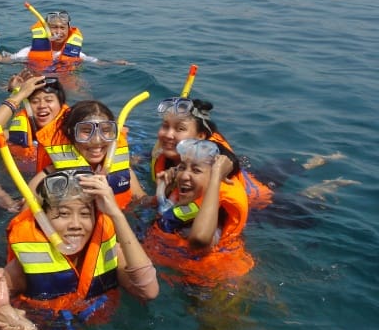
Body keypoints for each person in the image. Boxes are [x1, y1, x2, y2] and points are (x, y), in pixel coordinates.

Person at [5, 170, 158, 330]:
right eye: (63, 214)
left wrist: (116, 214)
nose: (75, 225)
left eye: (85, 214)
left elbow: (149, 292)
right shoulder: (22, 267)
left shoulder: (111, 252)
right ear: (43, 221)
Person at [150, 96, 346, 211]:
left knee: (302, 202)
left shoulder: (212, 154)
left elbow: (230, 160)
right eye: (165, 126)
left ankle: (329, 184)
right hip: (250, 178)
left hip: (258, 199)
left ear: (201, 136)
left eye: (179, 129)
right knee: (280, 170)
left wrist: (177, 172)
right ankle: (316, 161)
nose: (168, 134)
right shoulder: (170, 151)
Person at [144, 139, 253, 287]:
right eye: (182, 168)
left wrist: (216, 177)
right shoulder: (182, 199)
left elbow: (200, 239)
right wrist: (164, 189)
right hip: (181, 278)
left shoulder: (216, 214)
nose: (183, 176)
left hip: (217, 286)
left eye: (196, 170)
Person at [30, 100, 148, 210]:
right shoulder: (46, 180)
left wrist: (162, 196)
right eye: (86, 131)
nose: (97, 140)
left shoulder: (124, 172)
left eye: (106, 130)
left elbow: (143, 202)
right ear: (71, 133)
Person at [0, 10, 129, 73]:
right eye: (53, 27)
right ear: (46, 30)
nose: (58, 31)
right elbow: (2, 60)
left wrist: (115, 63)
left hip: (65, 82)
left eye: (62, 27)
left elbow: (97, 63)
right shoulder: (28, 51)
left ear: (69, 31)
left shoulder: (77, 54)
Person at [0, 70, 69, 172]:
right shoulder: (18, 136)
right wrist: (19, 94)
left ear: (61, 104)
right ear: (27, 107)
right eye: (35, 102)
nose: (42, 106)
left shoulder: (72, 131)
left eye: (49, 100)